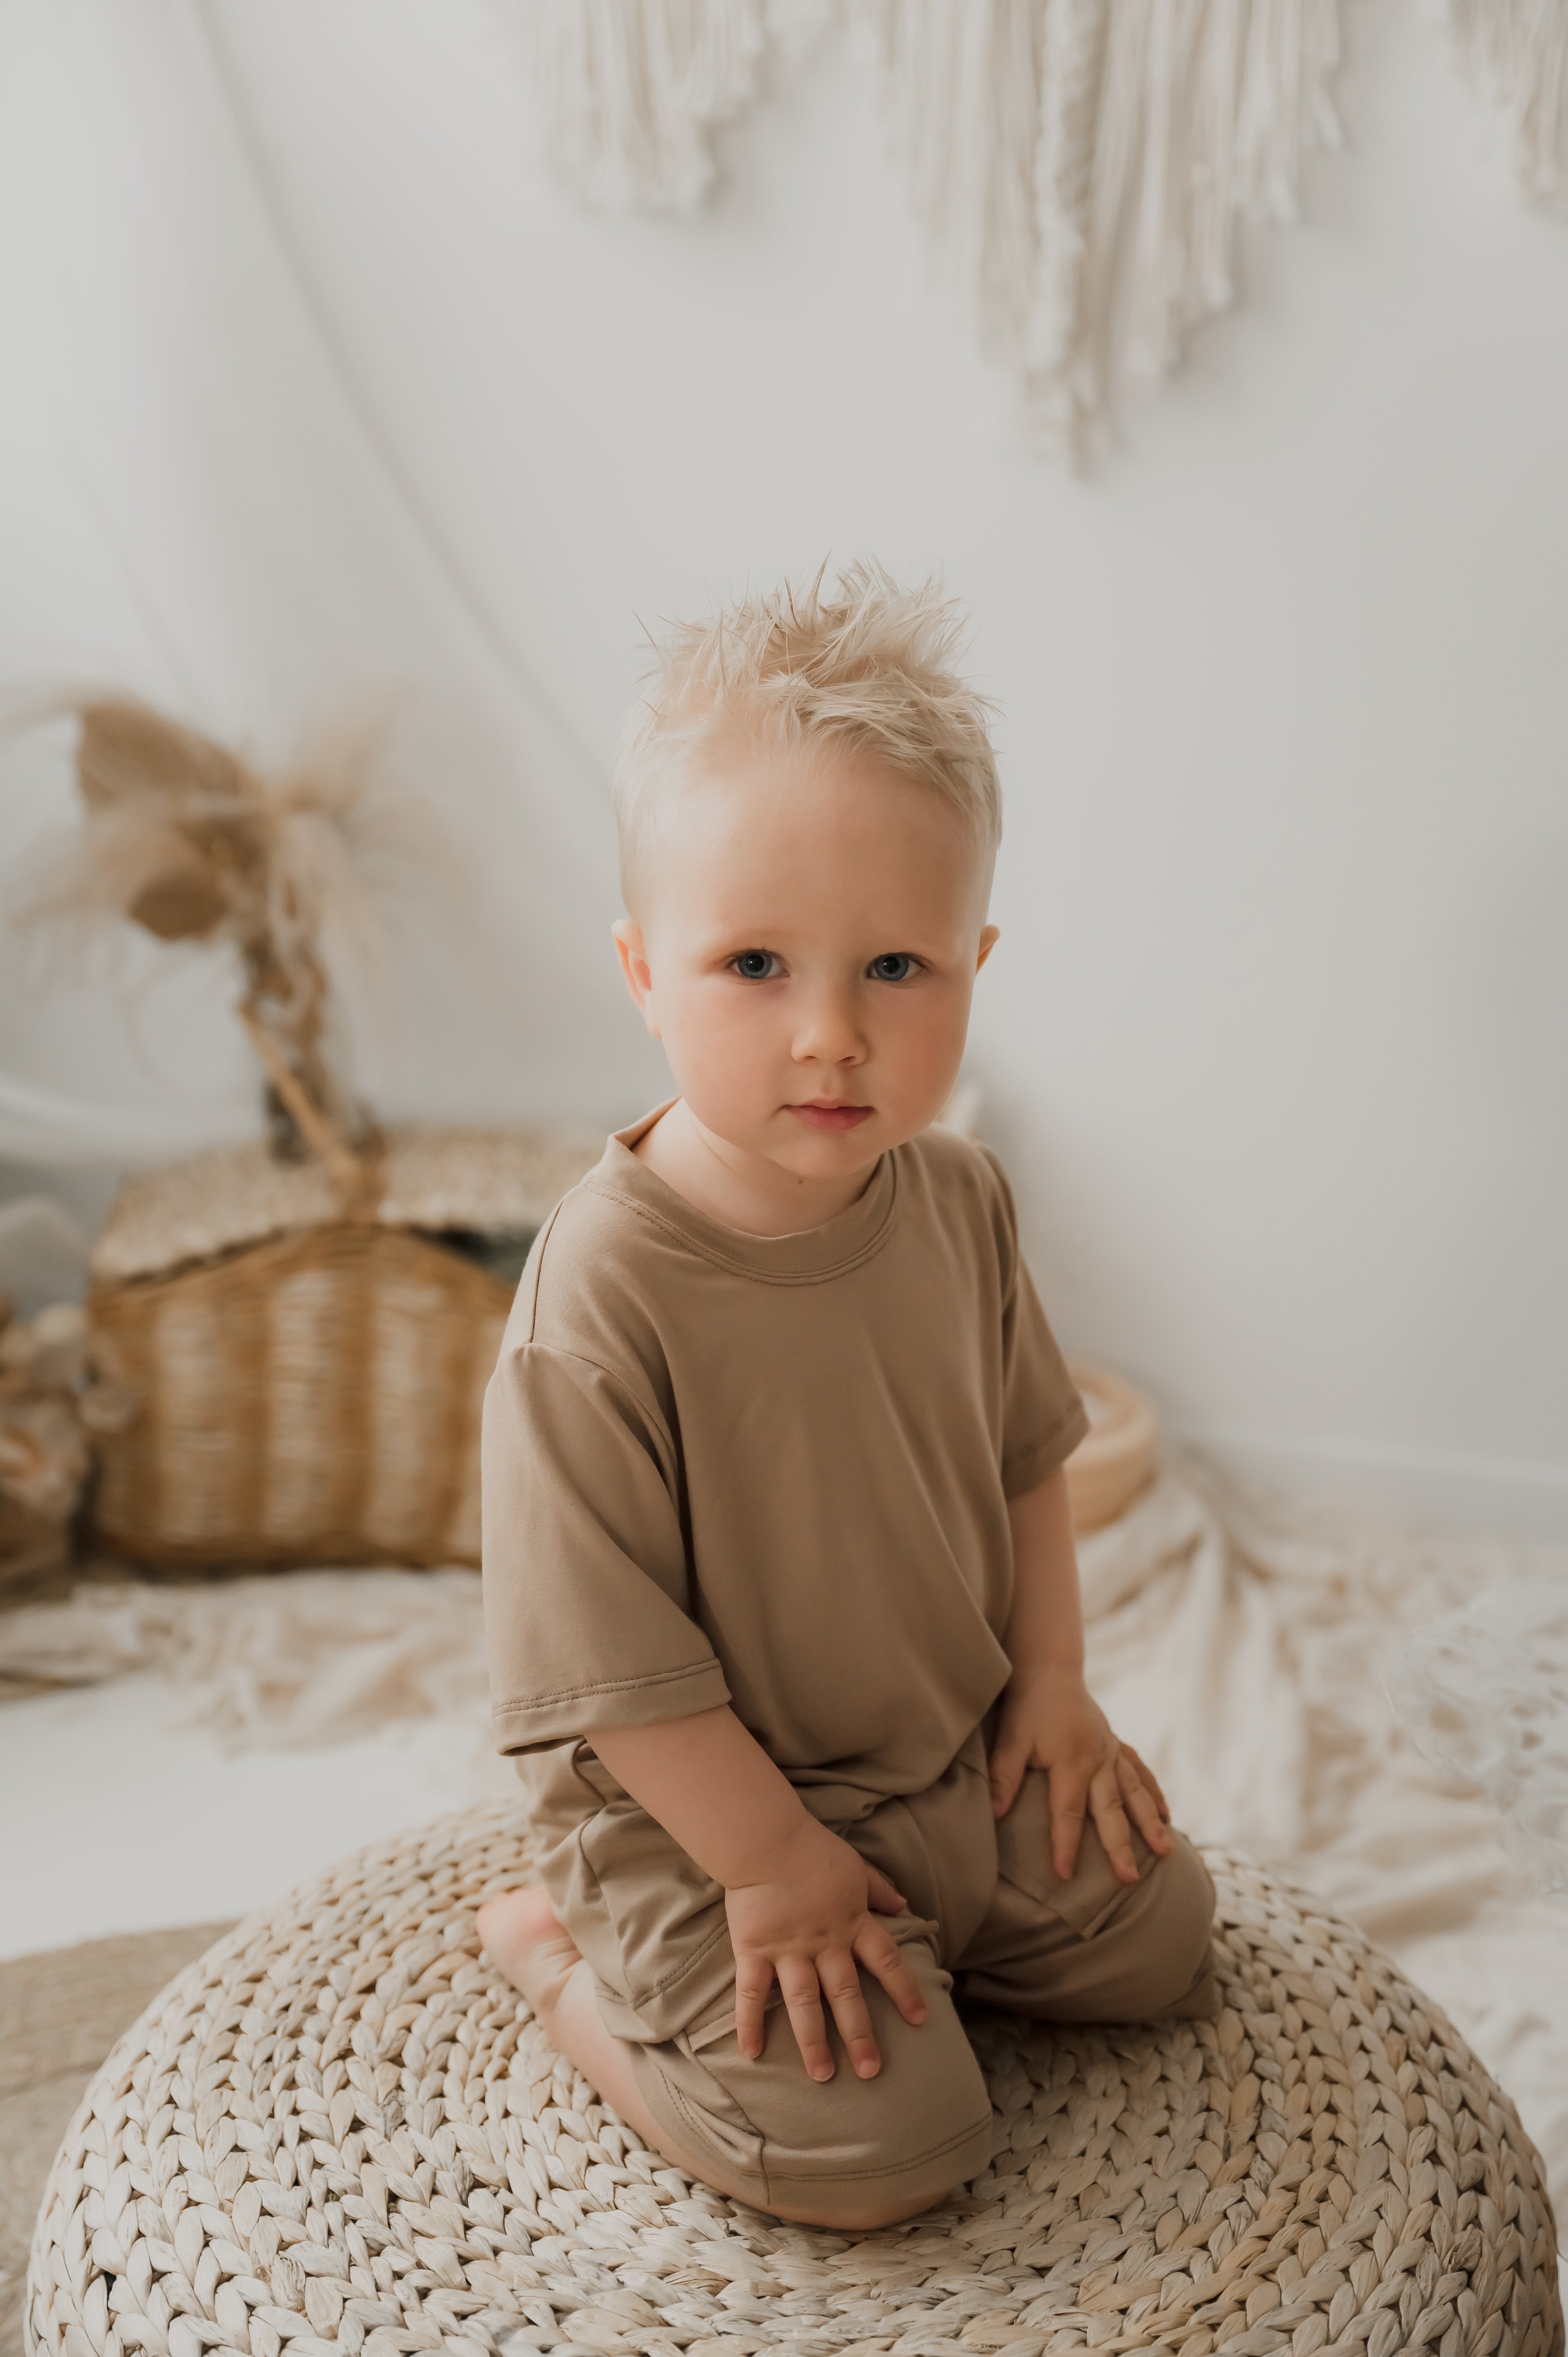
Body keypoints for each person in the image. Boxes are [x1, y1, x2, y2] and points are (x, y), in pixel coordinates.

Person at [477, 564, 1216, 2232]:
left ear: (975, 962)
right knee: (881, 2158)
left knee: (1161, 1941)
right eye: (754, 963)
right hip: (699, 1817)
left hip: (938, 1757)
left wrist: (1051, 1686)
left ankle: (920, 1932)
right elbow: (611, 1679)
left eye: (895, 966)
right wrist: (772, 1864)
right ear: (642, 971)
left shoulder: (959, 1199)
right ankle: (557, 1962)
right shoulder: (600, 1297)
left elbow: (1028, 1461)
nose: (831, 1035)